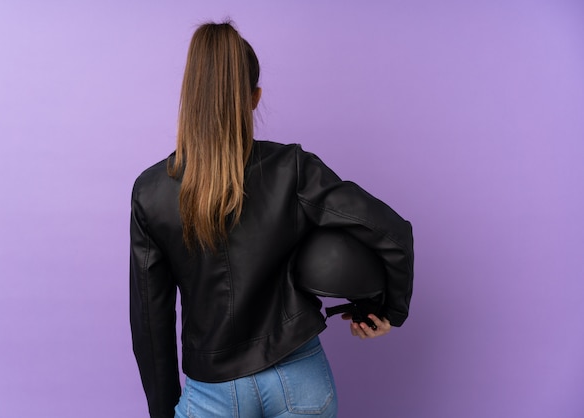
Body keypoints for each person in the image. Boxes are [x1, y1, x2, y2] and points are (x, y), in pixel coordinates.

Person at [130, 21, 414, 418]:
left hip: (210, 391)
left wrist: (164, 411)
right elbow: (392, 232)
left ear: (190, 97)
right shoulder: (293, 169)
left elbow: (151, 322)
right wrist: (387, 310)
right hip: (298, 380)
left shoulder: (150, 191)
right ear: (254, 98)